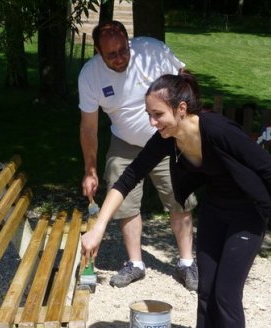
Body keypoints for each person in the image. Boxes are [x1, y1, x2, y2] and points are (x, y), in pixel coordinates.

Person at [81, 71, 271, 328]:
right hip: (216, 209)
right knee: (207, 290)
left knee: (226, 294)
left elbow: (269, 168)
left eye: (157, 114)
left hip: (248, 213)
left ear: (181, 109)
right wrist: (98, 227)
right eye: (149, 114)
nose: (152, 122)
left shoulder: (216, 129)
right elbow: (128, 178)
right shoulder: (166, 139)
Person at [78, 20, 198, 290]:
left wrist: (186, 128)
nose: (121, 58)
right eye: (112, 54)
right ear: (97, 50)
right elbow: (88, 126)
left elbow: (185, 81)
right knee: (125, 203)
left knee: (179, 197)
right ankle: (135, 263)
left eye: (123, 50)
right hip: (125, 142)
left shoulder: (151, 52)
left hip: (167, 139)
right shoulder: (90, 76)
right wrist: (90, 169)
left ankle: (188, 263)